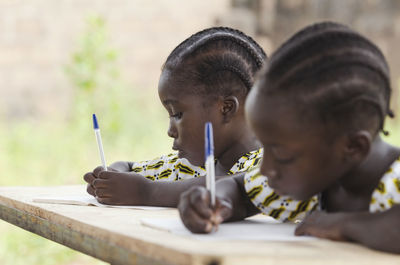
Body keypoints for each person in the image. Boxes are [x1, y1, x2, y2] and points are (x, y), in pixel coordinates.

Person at [178, 22, 400, 254]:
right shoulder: (317, 181)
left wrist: (341, 225)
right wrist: (213, 204)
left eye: (281, 154)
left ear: (352, 147)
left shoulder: (394, 179)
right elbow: (240, 191)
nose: (265, 170)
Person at [83, 27, 266, 206]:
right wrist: (111, 177)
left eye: (177, 114)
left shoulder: (268, 166)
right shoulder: (187, 168)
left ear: (225, 109)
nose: (170, 131)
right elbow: (130, 168)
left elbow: (233, 186)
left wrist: (145, 192)